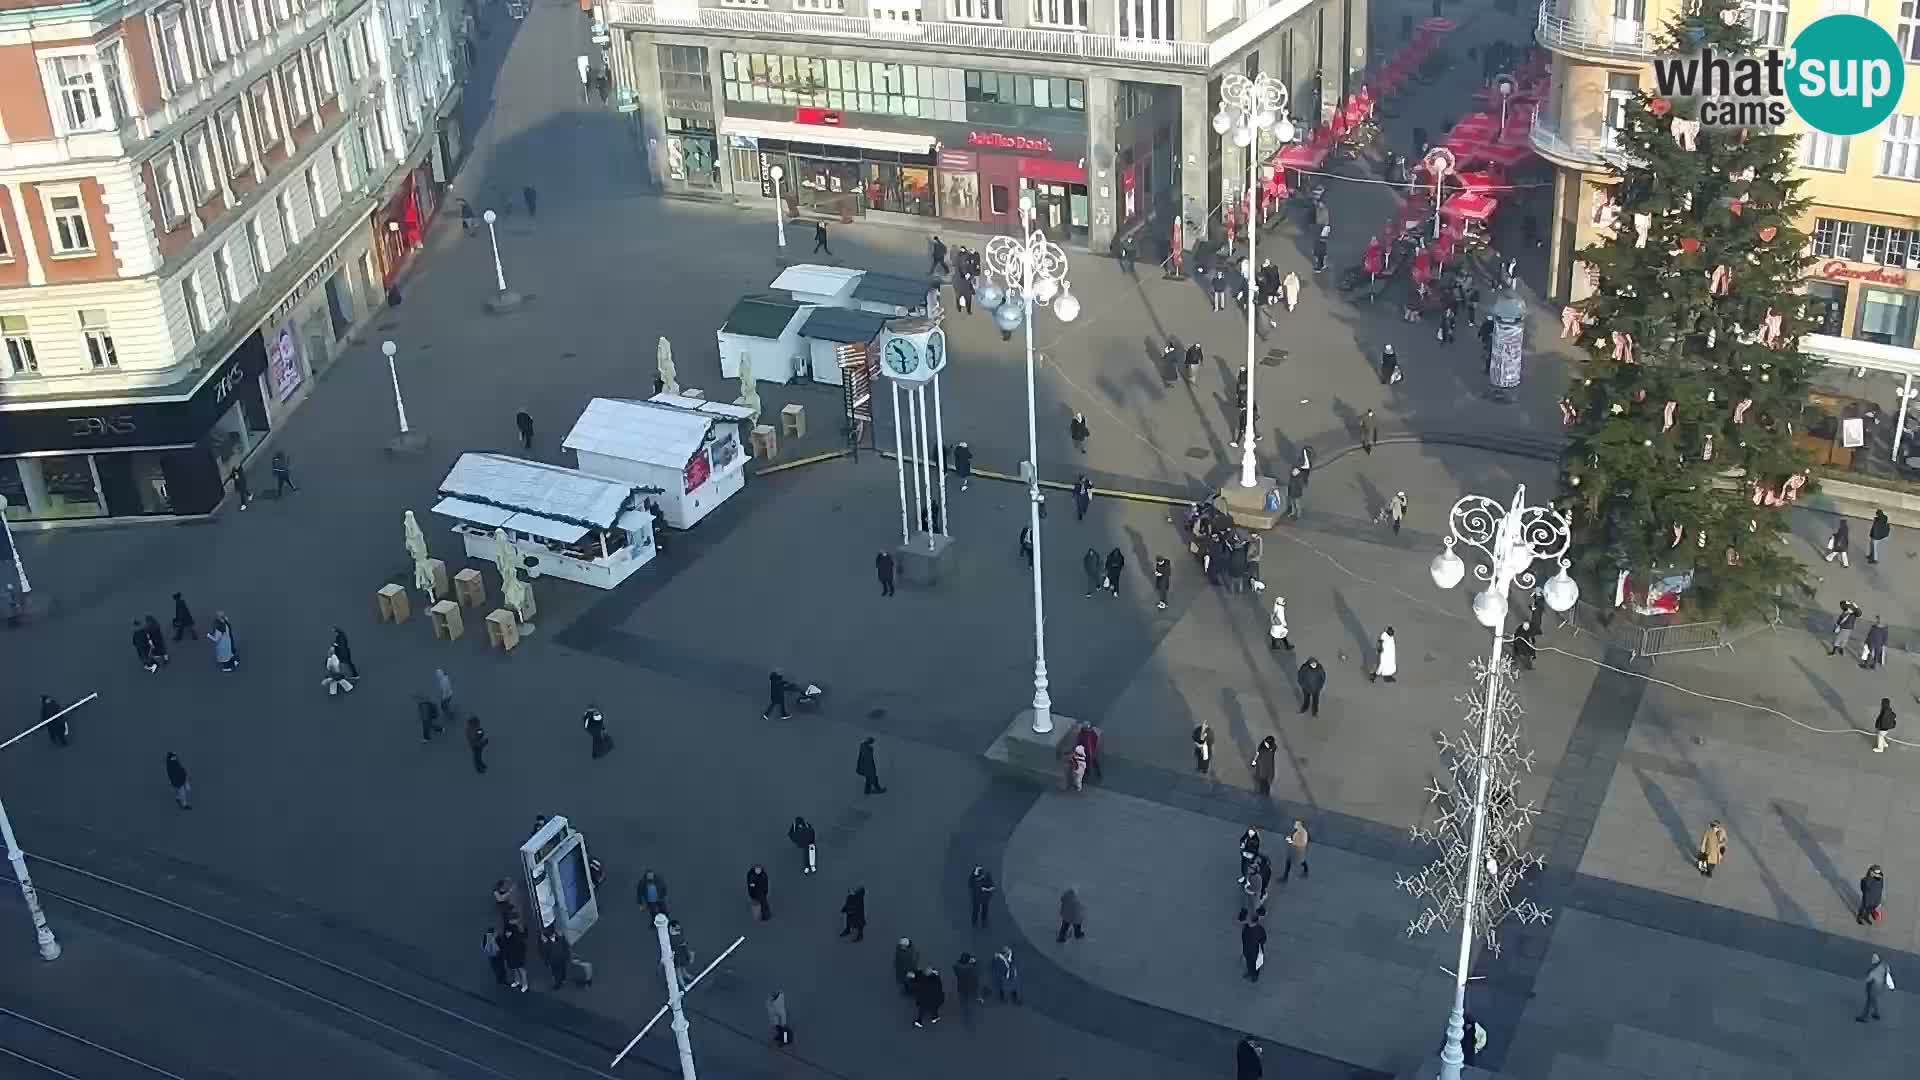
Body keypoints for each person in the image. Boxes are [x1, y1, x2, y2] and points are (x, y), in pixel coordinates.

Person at [1859, 952, 1890, 1022]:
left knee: (1869, 1001)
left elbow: (1869, 979)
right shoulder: (1885, 965)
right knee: (1874, 999)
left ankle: (1864, 1017)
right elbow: (1887, 975)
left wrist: (1867, 984)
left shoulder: (1874, 970)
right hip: (1880, 986)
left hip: (1873, 986)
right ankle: (1876, 1013)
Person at [500, 919, 529, 992]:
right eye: (506, 932)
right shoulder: (506, 939)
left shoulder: (517, 938)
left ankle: (525, 985)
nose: (507, 933)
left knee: (521, 970)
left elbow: (523, 945)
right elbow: (504, 948)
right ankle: (517, 981)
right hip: (511, 957)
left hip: (518, 957)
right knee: (514, 969)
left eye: (508, 932)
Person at [541, 924, 571, 990]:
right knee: (561, 969)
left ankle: (558, 984)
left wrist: (544, 943)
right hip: (561, 957)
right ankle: (562, 979)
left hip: (555, 959)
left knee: (556, 972)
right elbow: (566, 946)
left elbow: (545, 953)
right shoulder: (560, 937)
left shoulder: (547, 942)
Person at [1241, 916, 1267, 981]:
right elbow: (1264, 939)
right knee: (1250, 963)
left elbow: (1263, 939)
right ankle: (1251, 973)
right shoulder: (1248, 929)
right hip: (1249, 950)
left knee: (1254, 964)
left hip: (1254, 951)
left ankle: (1254, 975)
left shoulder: (1257, 929)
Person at [670, 921, 694, 987]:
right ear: (672, 928)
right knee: (678, 971)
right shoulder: (670, 938)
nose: (679, 928)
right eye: (677, 927)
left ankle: (685, 975)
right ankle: (682, 984)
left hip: (681, 953)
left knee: (683, 966)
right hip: (676, 956)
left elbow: (684, 944)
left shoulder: (678, 933)